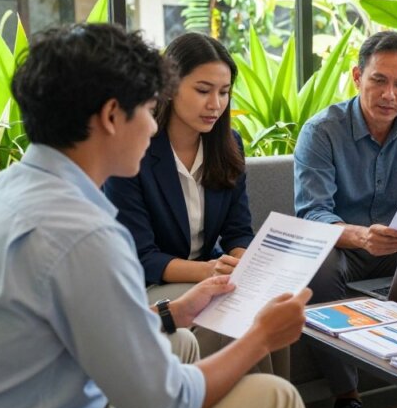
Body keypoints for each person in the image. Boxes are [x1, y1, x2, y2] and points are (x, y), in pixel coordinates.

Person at [0, 23, 307, 408]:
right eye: (146, 108)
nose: (153, 125)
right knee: (275, 395)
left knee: (181, 340)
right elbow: (167, 402)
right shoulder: (86, 235)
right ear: (112, 115)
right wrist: (262, 337)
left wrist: (175, 311)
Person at [294, 31, 397, 408]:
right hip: (344, 251)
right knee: (319, 264)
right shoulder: (321, 132)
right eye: (379, 81)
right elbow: (312, 214)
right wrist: (361, 237)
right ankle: (347, 396)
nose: (390, 95)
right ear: (357, 77)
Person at [105, 32, 286, 373]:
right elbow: (140, 256)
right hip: (150, 287)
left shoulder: (228, 144)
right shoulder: (133, 151)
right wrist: (210, 272)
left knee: (268, 307)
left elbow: (238, 231)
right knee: (235, 316)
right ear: (170, 87)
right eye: (203, 91)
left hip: (207, 275)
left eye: (224, 92)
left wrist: (245, 264)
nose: (215, 104)